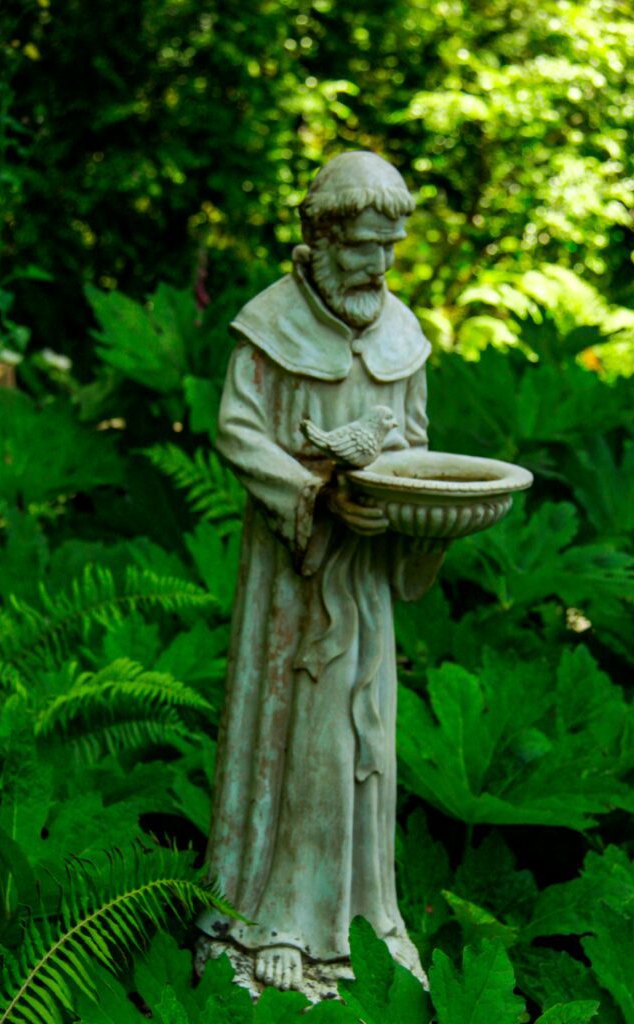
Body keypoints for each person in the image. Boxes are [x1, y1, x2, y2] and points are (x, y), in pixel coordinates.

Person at [197, 151, 445, 993]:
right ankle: (268, 919)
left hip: (364, 577)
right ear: (322, 237)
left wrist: (394, 495)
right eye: (363, 247)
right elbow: (238, 432)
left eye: (389, 248)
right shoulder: (268, 326)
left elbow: (415, 440)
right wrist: (312, 494)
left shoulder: (401, 332)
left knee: (358, 742)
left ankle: (360, 922)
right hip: (290, 577)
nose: (378, 265)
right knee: (294, 736)